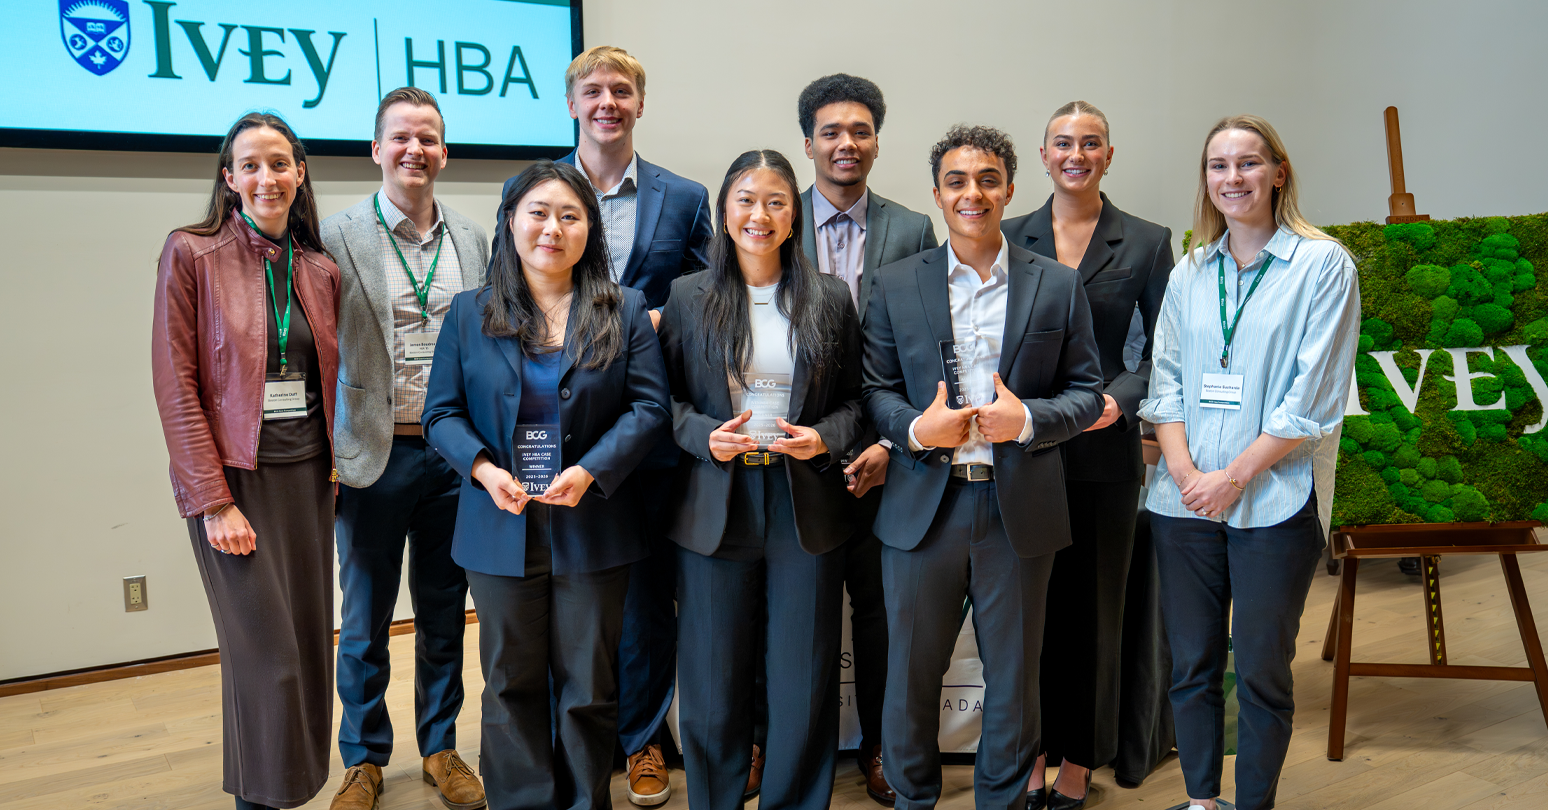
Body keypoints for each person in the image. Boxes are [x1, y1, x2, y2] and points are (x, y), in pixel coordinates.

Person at [494, 45, 713, 806]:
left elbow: (705, 296)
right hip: (543, 429)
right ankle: (560, 746)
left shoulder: (685, 197)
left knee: (644, 598)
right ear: (571, 104)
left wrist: (653, 325)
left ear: (640, 104)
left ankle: (642, 738)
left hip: (639, 431)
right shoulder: (533, 190)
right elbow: (503, 291)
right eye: (593, 90)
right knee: (552, 604)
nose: (607, 102)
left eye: (621, 90)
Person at [862, 125, 1104, 810]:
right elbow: (874, 389)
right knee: (911, 675)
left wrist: (1025, 421)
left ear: (1010, 189)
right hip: (922, 509)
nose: (974, 193)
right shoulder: (894, 283)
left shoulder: (1056, 284)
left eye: (988, 179)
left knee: (1015, 679)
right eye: (958, 181)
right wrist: (918, 429)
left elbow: (1088, 392)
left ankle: (1002, 803)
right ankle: (914, 799)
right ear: (938, 194)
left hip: (1017, 508)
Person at [422, 160, 670, 810]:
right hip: (499, 523)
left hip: (594, 524)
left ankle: (586, 801)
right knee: (510, 683)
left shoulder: (624, 309)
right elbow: (440, 414)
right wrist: (484, 470)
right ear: (511, 222)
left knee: (588, 685)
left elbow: (649, 409)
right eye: (538, 213)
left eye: (569, 215)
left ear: (590, 228)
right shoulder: (470, 312)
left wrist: (591, 470)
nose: (552, 228)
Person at [1138, 115, 1360, 810]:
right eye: (1219, 165)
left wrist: (1231, 478)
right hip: (1183, 503)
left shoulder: (1323, 266)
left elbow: (1311, 402)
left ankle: (1253, 805)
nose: (1232, 178)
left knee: (1262, 670)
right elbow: (1165, 385)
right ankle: (1202, 802)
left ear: (1278, 173)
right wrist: (1186, 476)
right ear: (1206, 179)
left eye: (1248, 163)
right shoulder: (1190, 271)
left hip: (1275, 499)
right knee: (1192, 666)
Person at [657, 149, 864, 810]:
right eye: (746, 199)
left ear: (794, 214)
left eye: (776, 201)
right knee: (714, 679)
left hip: (804, 504)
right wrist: (703, 436)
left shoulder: (829, 297)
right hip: (716, 502)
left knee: (802, 676)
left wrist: (824, 438)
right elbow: (662, 401)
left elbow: (857, 401)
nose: (760, 214)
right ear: (724, 211)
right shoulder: (688, 296)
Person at [150, 112, 339, 810]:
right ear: (229, 178)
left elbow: (331, 383)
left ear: (300, 173)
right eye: (251, 165)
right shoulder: (191, 254)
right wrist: (213, 500)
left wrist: (340, 474)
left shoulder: (319, 268)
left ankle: (286, 795)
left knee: (309, 655)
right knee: (269, 665)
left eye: (280, 163)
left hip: (309, 481)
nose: (267, 178)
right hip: (236, 484)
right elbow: (176, 386)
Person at [1000, 101, 1174, 810]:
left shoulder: (1147, 241)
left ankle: (1078, 760)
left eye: (1091, 143)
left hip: (1104, 452)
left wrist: (1119, 399)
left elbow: (1165, 349)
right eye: (1063, 143)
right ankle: (1031, 753)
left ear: (1108, 154)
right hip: (1025, 450)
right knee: (1029, 615)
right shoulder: (1007, 233)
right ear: (1043, 156)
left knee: (1095, 615)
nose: (1077, 154)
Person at [320, 87, 489, 810]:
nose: (413, 149)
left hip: (454, 456)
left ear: (444, 153)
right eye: (400, 137)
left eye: (427, 138)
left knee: (444, 612)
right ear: (376, 150)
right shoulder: (335, 237)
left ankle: (441, 747)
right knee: (363, 621)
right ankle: (362, 759)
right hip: (371, 455)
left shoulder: (474, 239)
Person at [794, 73, 938, 806]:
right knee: (795, 613)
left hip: (885, 454)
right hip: (796, 452)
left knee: (882, 615)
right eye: (831, 132)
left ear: (878, 141)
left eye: (860, 131)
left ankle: (883, 747)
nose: (846, 143)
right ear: (809, 143)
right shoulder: (774, 217)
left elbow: (926, 348)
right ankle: (787, 747)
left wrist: (892, 443)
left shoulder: (912, 229)